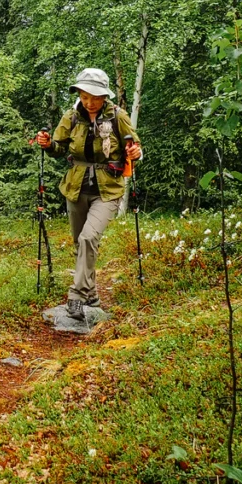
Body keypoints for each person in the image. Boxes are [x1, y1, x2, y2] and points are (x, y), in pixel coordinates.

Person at [36, 69, 142, 321]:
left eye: (94, 96)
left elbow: (134, 146)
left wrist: (136, 152)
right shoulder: (71, 117)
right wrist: (47, 143)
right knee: (80, 242)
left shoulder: (118, 116)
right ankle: (92, 293)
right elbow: (59, 148)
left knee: (88, 237)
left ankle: (77, 295)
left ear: (104, 96)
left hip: (108, 190)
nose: (89, 102)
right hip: (76, 187)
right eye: (84, 96)